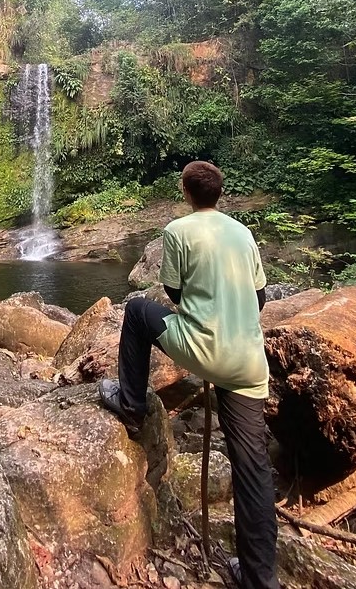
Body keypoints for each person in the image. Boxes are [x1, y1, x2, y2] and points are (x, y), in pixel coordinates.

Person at [99, 161, 279, 589]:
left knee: (138, 310)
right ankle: (260, 578)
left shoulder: (178, 232)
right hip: (248, 362)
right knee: (253, 469)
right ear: (220, 193)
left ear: (186, 191)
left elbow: (175, 294)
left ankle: (131, 403)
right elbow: (260, 296)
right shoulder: (243, 233)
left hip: (200, 348)